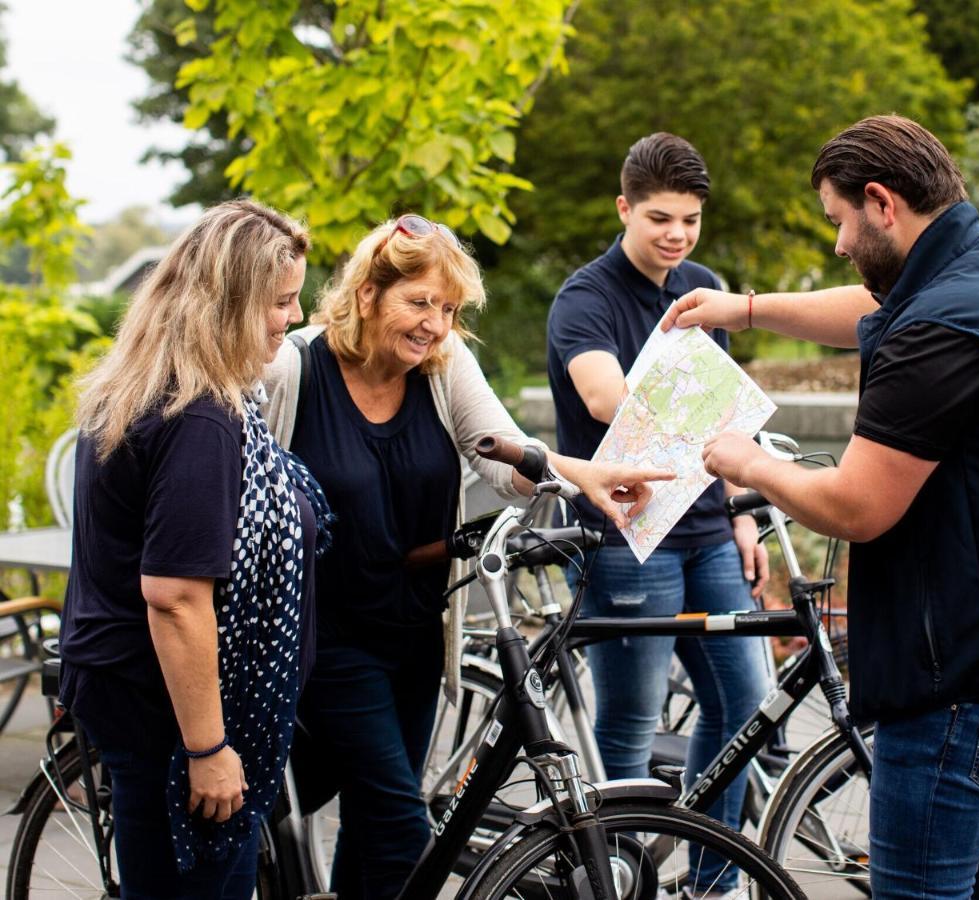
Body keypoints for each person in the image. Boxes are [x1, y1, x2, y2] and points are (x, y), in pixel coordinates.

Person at [661, 115, 979, 896]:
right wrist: (741, 310)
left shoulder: (941, 328)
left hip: (966, 690)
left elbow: (855, 505)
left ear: (881, 203)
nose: (838, 243)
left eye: (839, 221)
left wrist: (744, 459)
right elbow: (875, 307)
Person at [260, 213, 672, 899]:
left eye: (448, 309)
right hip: (323, 639)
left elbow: (505, 457)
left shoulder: (443, 367)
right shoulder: (292, 369)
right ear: (367, 295)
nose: (435, 324)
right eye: (419, 302)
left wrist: (582, 477)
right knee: (400, 828)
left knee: (372, 832)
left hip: (415, 636)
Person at [58, 199, 330, 898]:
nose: (294, 318)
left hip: (130, 691)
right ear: (232, 303)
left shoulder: (153, 386)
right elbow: (176, 597)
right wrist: (207, 749)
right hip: (166, 715)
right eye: (280, 301)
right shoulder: (198, 417)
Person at [545, 132, 772, 892]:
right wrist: (701, 394)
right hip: (626, 538)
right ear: (624, 209)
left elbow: (730, 420)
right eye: (660, 219)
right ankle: (621, 879)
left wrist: (743, 510)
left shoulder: (700, 284)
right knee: (632, 727)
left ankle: (712, 879)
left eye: (690, 220)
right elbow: (606, 400)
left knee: (742, 705)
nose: (677, 236)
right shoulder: (587, 297)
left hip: (707, 530)